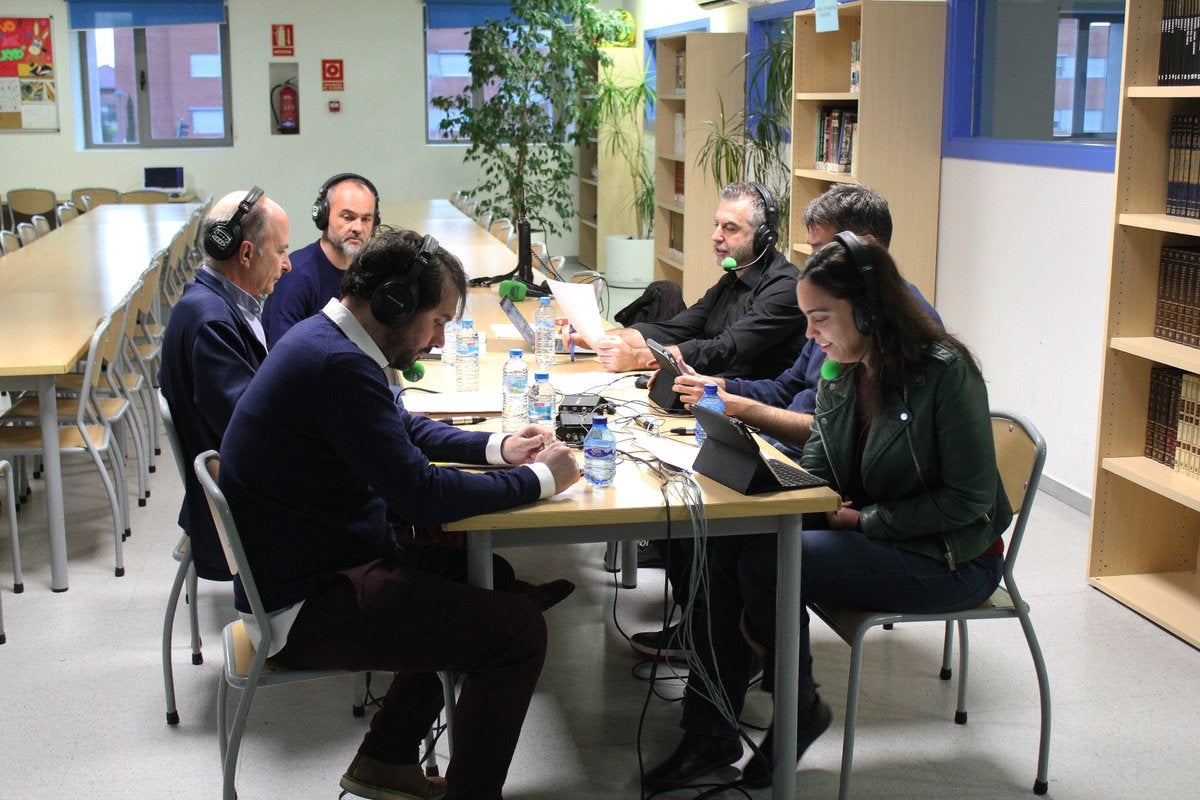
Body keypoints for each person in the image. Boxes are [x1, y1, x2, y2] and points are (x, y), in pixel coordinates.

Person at [218, 226, 581, 800]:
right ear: (395, 303)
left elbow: (399, 426)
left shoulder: (327, 340)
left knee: (485, 575)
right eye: (437, 321)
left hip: (310, 568)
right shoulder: (336, 365)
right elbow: (420, 496)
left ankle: (385, 759)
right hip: (307, 605)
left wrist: (499, 448)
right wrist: (541, 479)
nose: (438, 340)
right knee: (517, 633)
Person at [642, 233, 1012, 793]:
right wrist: (773, 486)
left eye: (820, 319)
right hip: (874, 527)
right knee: (727, 542)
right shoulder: (845, 367)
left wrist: (868, 522)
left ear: (868, 310)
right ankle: (710, 732)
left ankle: (798, 707)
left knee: (767, 562)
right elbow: (820, 464)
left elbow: (970, 501)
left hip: (949, 557)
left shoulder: (945, 373)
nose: (811, 336)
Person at [631, 184, 941, 659]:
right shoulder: (837, 315)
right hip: (804, 459)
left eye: (821, 251)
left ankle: (758, 666)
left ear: (866, 252)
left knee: (727, 532)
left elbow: (837, 437)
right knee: (689, 495)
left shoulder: (902, 336)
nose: (811, 265)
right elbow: (788, 387)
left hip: (846, 491)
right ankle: (724, 654)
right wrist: (721, 389)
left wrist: (740, 409)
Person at [158, 187, 291, 581]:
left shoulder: (217, 304)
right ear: (246, 254)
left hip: (246, 485)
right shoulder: (211, 323)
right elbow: (251, 435)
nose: (288, 264)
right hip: (248, 507)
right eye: (281, 251)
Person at [572, 181, 804, 379]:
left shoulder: (785, 288)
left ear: (764, 237)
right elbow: (678, 328)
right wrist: (600, 339)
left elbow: (724, 348)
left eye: (730, 228)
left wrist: (638, 358)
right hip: (709, 389)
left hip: (747, 403)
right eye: (716, 225)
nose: (715, 236)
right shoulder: (733, 278)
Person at [263, 172, 379, 346]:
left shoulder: (366, 274)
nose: (357, 227)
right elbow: (283, 352)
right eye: (348, 217)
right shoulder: (296, 275)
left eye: (366, 219)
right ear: (323, 216)